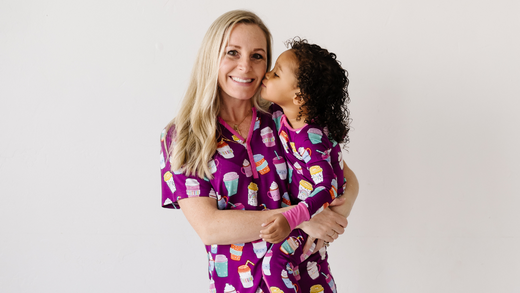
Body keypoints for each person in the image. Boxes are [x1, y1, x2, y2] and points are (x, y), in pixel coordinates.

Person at [159, 10, 359, 293]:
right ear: (211, 58)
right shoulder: (182, 137)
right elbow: (210, 227)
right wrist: (301, 219)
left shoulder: (285, 117)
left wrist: (335, 217)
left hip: (310, 281)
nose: (246, 67)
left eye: (257, 56)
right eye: (232, 52)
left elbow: (343, 176)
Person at [257, 39, 350, 292]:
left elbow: (328, 188)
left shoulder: (312, 138)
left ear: (298, 96)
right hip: (309, 214)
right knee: (313, 272)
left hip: (315, 212)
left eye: (275, 74)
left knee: (274, 264)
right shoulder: (280, 114)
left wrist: (292, 219)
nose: (266, 74)